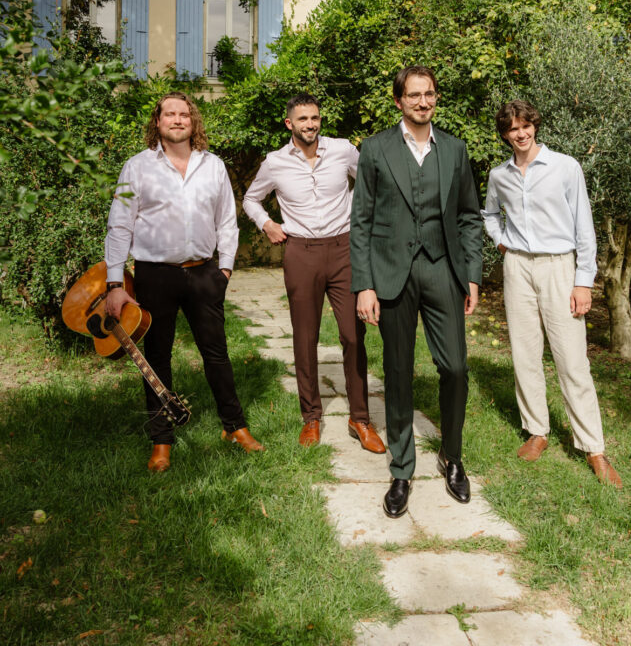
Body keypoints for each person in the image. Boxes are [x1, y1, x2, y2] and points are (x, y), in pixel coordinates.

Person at [105, 93, 263, 472]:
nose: (177, 120)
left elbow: (227, 221)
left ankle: (234, 426)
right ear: (157, 122)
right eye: (169, 114)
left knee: (217, 354)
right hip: (154, 275)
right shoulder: (137, 167)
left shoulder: (213, 166)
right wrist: (115, 283)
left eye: (184, 114)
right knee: (157, 358)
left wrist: (225, 270)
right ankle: (162, 440)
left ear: (193, 122)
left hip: (204, 273)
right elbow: (120, 225)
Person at [350, 66, 482, 518]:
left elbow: (469, 216)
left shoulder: (455, 149)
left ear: (436, 97)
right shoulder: (375, 149)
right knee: (398, 371)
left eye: (429, 94)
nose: (423, 102)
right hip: (391, 273)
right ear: (398, 101)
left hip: (443, 270)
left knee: (456, 368)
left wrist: (472, 275)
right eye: (413, 95)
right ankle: (402, 469)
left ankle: (452, 456)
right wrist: (364, 284)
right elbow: (361, 222)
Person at [482, 99, 621, 488]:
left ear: (535, 126)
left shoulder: (565, 167)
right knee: (525, 353)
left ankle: (593, 448)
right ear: (505, 134)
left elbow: (584, 226)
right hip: (518, 268)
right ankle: (537, 431)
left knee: (572, 360)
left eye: (525, 126)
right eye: (512, 129)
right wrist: (501, 241)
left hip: (560, 267)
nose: (520, 134)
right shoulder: (500, 176)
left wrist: (583, 281)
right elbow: (489, 215)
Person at [242, 93, 385, 453]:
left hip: (344, 250)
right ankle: (311, 417)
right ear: (289, 123)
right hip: (301, 252)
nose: (310, 124)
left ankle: (360, 418)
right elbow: (250, 199)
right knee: (305, 338)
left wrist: (364, 223)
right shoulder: (275, 163)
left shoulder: (343, 151)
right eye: (303, 119)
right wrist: (267, 224)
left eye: (315, 118)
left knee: (353, 335)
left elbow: (370, 183)